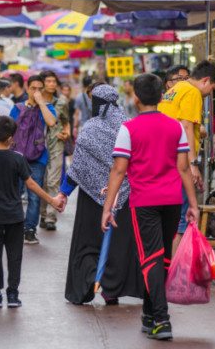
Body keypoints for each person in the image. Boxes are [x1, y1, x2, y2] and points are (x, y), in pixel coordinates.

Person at [101, 73, 199, 340]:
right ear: (160, 96)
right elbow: (183, 167)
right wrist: (193, 204)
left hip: (144, 202)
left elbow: (119, 170)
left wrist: (107, 207)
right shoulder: (175, 126)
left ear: (136, 97)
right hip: (172, 200)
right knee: (162, 257)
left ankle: (161, 319)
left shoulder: (128, 129)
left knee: (151, 258)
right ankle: (148, 312)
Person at [57, 84, 144, 305]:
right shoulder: (128, 126)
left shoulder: (89, 127)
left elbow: (78, 166)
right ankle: (112, 289)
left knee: (88, 242)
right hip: (122, 196)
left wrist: (64, 193)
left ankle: (85, 284)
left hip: (90, 195)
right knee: (119, 243)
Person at [0, 116, 65, 308]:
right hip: (15, 216)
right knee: (14, 255)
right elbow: (31, 184)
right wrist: (51, 200)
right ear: (11, 138)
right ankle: (13, 294)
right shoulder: (18, 158)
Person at [158, 60, 215, 254]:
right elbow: (185, 127)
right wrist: (193, 165)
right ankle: (175, 270)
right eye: (212, 88)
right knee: (182, 219)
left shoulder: (176, 89)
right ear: (205, 80)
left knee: (170, 218)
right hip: (178, 162)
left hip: (164, 159)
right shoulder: (193, 93)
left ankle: (165, 266)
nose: (210, 93)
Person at [10, 74, 57, 244]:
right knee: (15, 193)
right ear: (26, 88)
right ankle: (15, 226)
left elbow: (51, 123)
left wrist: (41, 102)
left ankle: (30, 229)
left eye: (39, 88)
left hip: (38, 158)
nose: (36, 91)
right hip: (17, 157)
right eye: (33, 88)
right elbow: (9, 130)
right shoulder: (17, 107)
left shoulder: (48, 108)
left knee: (35, 196)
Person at [40, 70, 70, 232]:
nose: (51, 84)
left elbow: (65, 121)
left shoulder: (61, 102)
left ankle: (51, 216)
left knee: (53, 181)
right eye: (48, 81)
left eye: (54, 81)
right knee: (42, 180)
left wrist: (66, 132)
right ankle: (43, 214)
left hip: (56, 144)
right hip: (38, 146)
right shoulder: (35, 101)